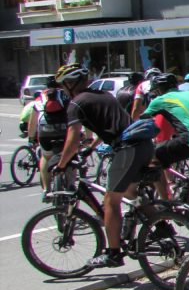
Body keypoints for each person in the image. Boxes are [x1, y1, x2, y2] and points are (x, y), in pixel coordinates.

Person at [52, 63, 153, 268]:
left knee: (110, 201)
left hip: (127, 149)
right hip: (143, 145)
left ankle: (113, 253)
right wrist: (91, 147)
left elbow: (72, 138)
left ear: (71, 84)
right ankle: (161, 225)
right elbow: (114, 124)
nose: (63, 90)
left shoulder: (77, 103)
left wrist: (61, 165)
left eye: (63, 86)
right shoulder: (103, 95)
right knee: (131, 194)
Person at [142, 72, 189, 183]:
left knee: (154, 156)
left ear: (158, 90)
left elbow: (142, 120)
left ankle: (165, 198)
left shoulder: (160, 100)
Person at [27, 76, 70, 192]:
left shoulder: (41, 97)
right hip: (64, 130)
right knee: (70, 156)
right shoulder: (66, 96)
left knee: (45, 157)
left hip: (45, 131)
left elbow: (33, 121)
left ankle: (46, 189)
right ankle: (71, 186)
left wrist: (31, 138)